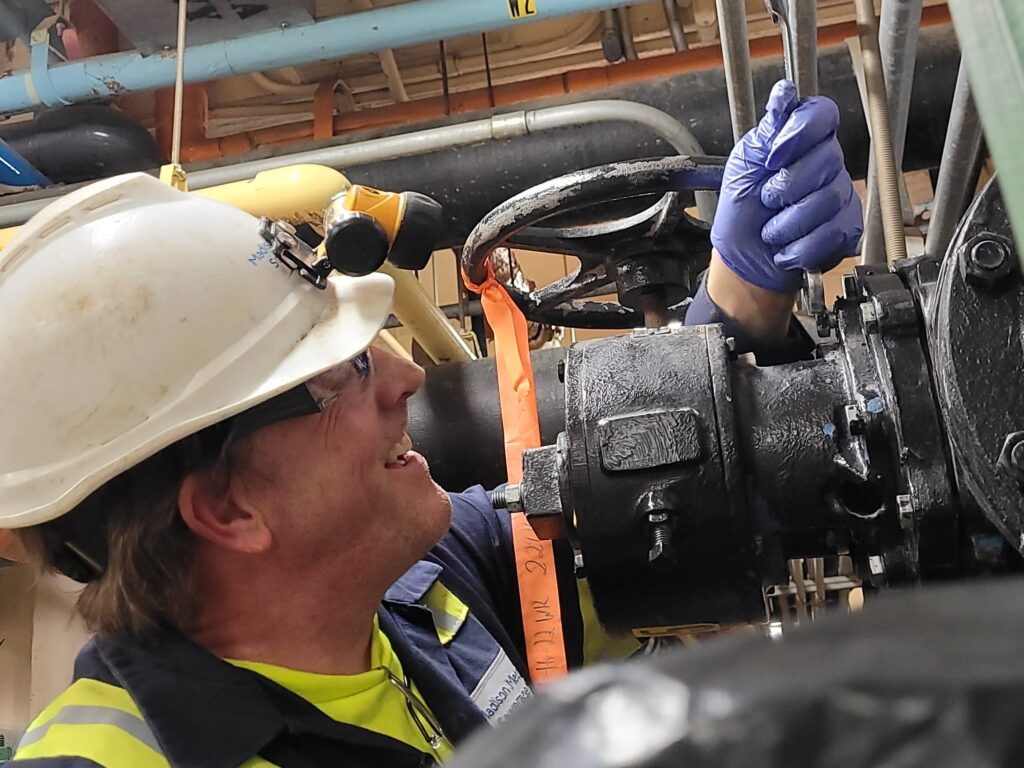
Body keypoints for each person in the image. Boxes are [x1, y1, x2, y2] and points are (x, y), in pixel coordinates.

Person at [2, 79, 861, 767]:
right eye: (341, 371)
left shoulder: (427, 583)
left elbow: (651, 507)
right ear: (228, 511)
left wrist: (742, 296)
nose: (408, 375)